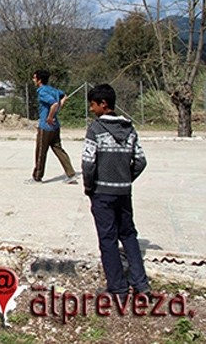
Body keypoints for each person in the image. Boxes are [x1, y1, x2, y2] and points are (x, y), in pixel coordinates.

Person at [82, 84, 150, 299]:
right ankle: (141, 284)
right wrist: (126, 179)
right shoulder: (130, 129)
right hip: (124, 193)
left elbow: (88, 163)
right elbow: (140, 161)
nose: (92, 109)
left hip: (102, 193)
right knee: (129, 235)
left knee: (108, 239)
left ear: (103, 104)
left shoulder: (95, 129)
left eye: (93, 105)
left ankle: (118, 288)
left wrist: (89, 186)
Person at [26, 69, 77, 184]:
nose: (33, 80)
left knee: (40, 152)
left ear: (39, 80)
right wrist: (59, 108)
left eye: (34, 78)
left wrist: (49, 116)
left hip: (46, 126)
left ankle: (37, 177)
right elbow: (64, 96)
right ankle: (70, 174)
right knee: (58, 149)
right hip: (55, 126)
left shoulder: (42, 91)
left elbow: (53, 103)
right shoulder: (53, 90)